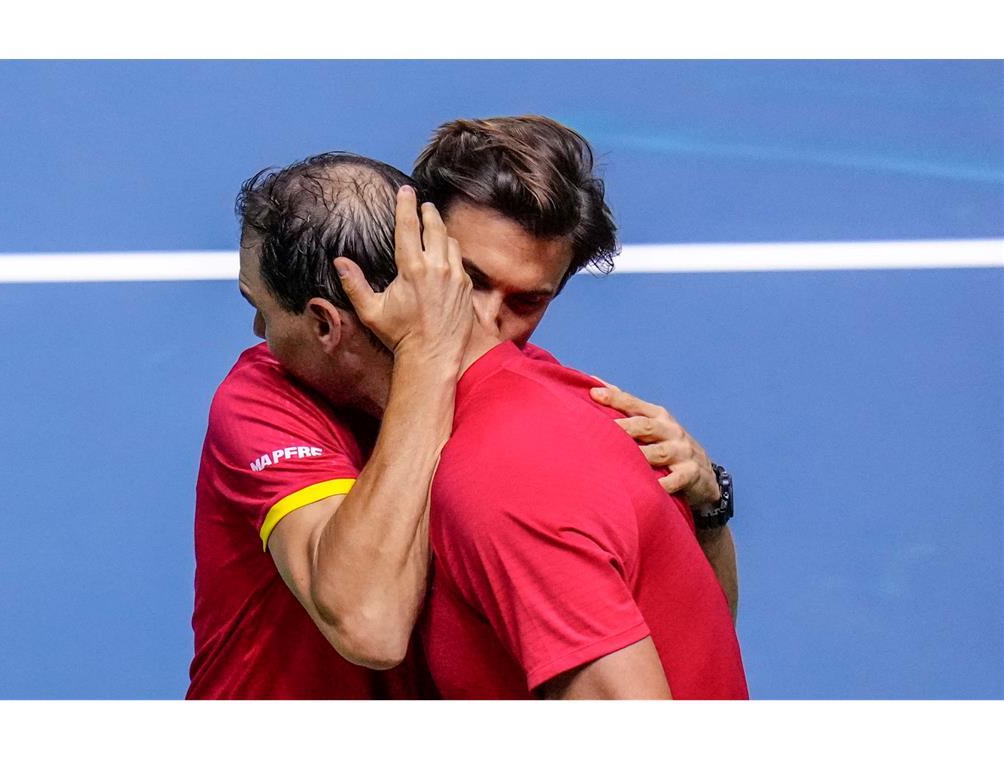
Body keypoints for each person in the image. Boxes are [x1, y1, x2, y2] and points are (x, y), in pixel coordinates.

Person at [188, 117, 737, 699]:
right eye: (468, 280)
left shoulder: (536, 440)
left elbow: (688, 640)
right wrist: (427, 364)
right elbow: (368, 619)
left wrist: (707, 508)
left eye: (527, 300)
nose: (487, 323)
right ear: (419, 252)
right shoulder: (266, 396)